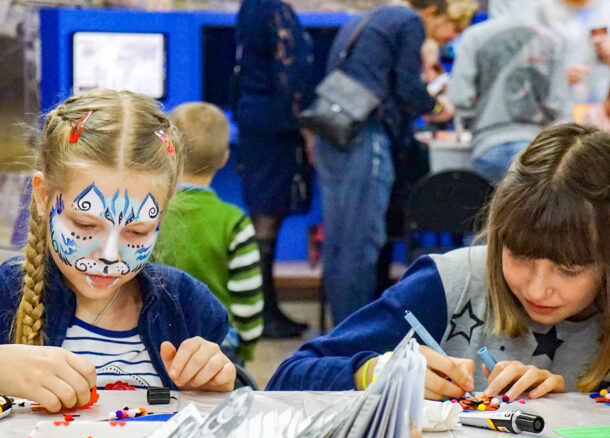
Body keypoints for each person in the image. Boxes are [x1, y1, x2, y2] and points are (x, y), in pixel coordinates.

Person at [268, 123, 610, 400]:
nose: (538, 288)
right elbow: (287, 378)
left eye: (568, 270)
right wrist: (376, 372)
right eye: (518, 255)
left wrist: (569, 402)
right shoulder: (450, 283)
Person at [0, 89, 236, 413]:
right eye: (85, 225)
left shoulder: (188, 307)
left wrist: (217, 385)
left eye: (136, 232)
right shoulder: (5, 294)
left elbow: (237, 410)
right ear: (43, 197)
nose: (110, 255)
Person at [314, 0, 477, 326]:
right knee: (361, 246)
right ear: (433, 12)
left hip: (334, 136)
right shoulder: (408, 22)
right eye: (452, 28)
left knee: (340, 243)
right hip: (364, 136)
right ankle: (352, 336)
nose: (450, 37)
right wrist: (437, 106)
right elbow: (408, 91)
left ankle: (338, 329)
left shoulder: (371, 18)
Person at [153, 102, 263, 364]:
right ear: (225, 158)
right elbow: (248, 297)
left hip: (157, 340)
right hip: (218, 347)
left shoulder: (150, 215)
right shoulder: (234, 222)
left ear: (167, 151)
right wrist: (244, 351)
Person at [233, 0, 314, 338]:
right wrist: (308, 128)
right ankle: (264, 314)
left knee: (263, 213)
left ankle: (264, 308)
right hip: (275, 126)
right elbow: (290, 73)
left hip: (255, 120)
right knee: (268, 215)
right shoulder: (274, 9)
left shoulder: (251, 6)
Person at [448, 2, 567, 184]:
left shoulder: (474, 36)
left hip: (487, 145)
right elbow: (557, 103)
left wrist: (473, 120)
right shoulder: (551, 41)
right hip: (533, 146)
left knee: (494, 209)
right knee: (531, 210)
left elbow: (460, 96)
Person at [536, 0, 610, 107]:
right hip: (564, 108)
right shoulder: (545, 12)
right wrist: (560, 77)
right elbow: (533, 69)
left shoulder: (606, 8)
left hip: (605, 108)